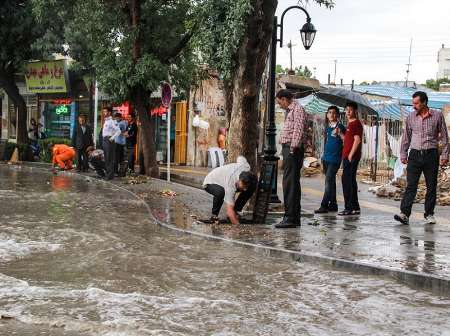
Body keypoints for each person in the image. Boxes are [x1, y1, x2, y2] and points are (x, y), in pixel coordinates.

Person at [395, 91, 449, 225]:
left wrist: (444, 155)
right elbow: (406, 137)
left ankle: (429, 214)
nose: (414, 106)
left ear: (424, 102)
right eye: (413, 103)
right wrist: (403, 153)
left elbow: (444, 137)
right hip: (414, 155)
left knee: (431, 186)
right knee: (411, 186)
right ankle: (404, 214)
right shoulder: (411, 117)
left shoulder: (437, 116)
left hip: (431, 155)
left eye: (416, 103)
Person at [275, 89, 308, 228]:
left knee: (290, 183)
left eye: (279, 102)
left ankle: (290, 218)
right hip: (290, 148)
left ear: (284, 99)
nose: (279, 105)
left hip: (293, 150)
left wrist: (293, 149)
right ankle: (293, 217)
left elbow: (298, 130)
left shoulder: (297, 109)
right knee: (291, 183)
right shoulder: (291, 110)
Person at [203, 156, 257, 225]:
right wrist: (237, 226)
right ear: (239, 180)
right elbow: (229, 211)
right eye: (243, 186)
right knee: (221, 192)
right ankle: (214, 216)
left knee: (252, 188)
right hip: (210, 181)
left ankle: (236, 210)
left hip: (226, 177)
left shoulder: (246, 167)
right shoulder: (230, 185)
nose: (245, 189)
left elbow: (240, 158)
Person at [315, 106, 346, 214]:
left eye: (334, 113)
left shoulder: (341, 126)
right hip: (326, 158)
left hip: (335, 159)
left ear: (337, 115)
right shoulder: (327, 127)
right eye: (329, 112)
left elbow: (346, 141)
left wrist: (340, 134)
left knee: (328, 181)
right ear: (327, 115)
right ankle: (333, 204)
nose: (331, 115)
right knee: (330, 181)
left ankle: (324, 205)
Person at [338, 102, 363, 216]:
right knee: (351, 181)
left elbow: (357, 140)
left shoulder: (356, 123)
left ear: (355, 112)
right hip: (348, 156)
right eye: (346, 109)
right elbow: (348, 140)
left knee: (346, 181)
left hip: (351, 157)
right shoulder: (350, 124)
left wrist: (350, 155)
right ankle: (355, 207)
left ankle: (348, 208)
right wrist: (340, 135)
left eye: (350, 110)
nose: (348, 112)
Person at [101, 106, 121, 180]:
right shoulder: (106, 121)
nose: (104, 113)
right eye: (103, 111)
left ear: (109, 112)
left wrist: (112, 138)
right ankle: (108, 175)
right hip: (105, 140)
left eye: (105, 111)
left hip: (109, 141)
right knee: (106, 158)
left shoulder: (112, 121)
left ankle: (109, 176)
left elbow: (118, 131)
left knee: (110, 159)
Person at [113, 112, 128, 176]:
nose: (116, 119)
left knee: (118, 158)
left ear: (120, 117)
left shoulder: (122, 123)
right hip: (118, 142)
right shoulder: (117, 122)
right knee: (118, 158)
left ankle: (117, 171)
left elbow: (123, 132)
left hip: (119, 143)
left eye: (117, 117)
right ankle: (119, 171)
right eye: (115, 117)